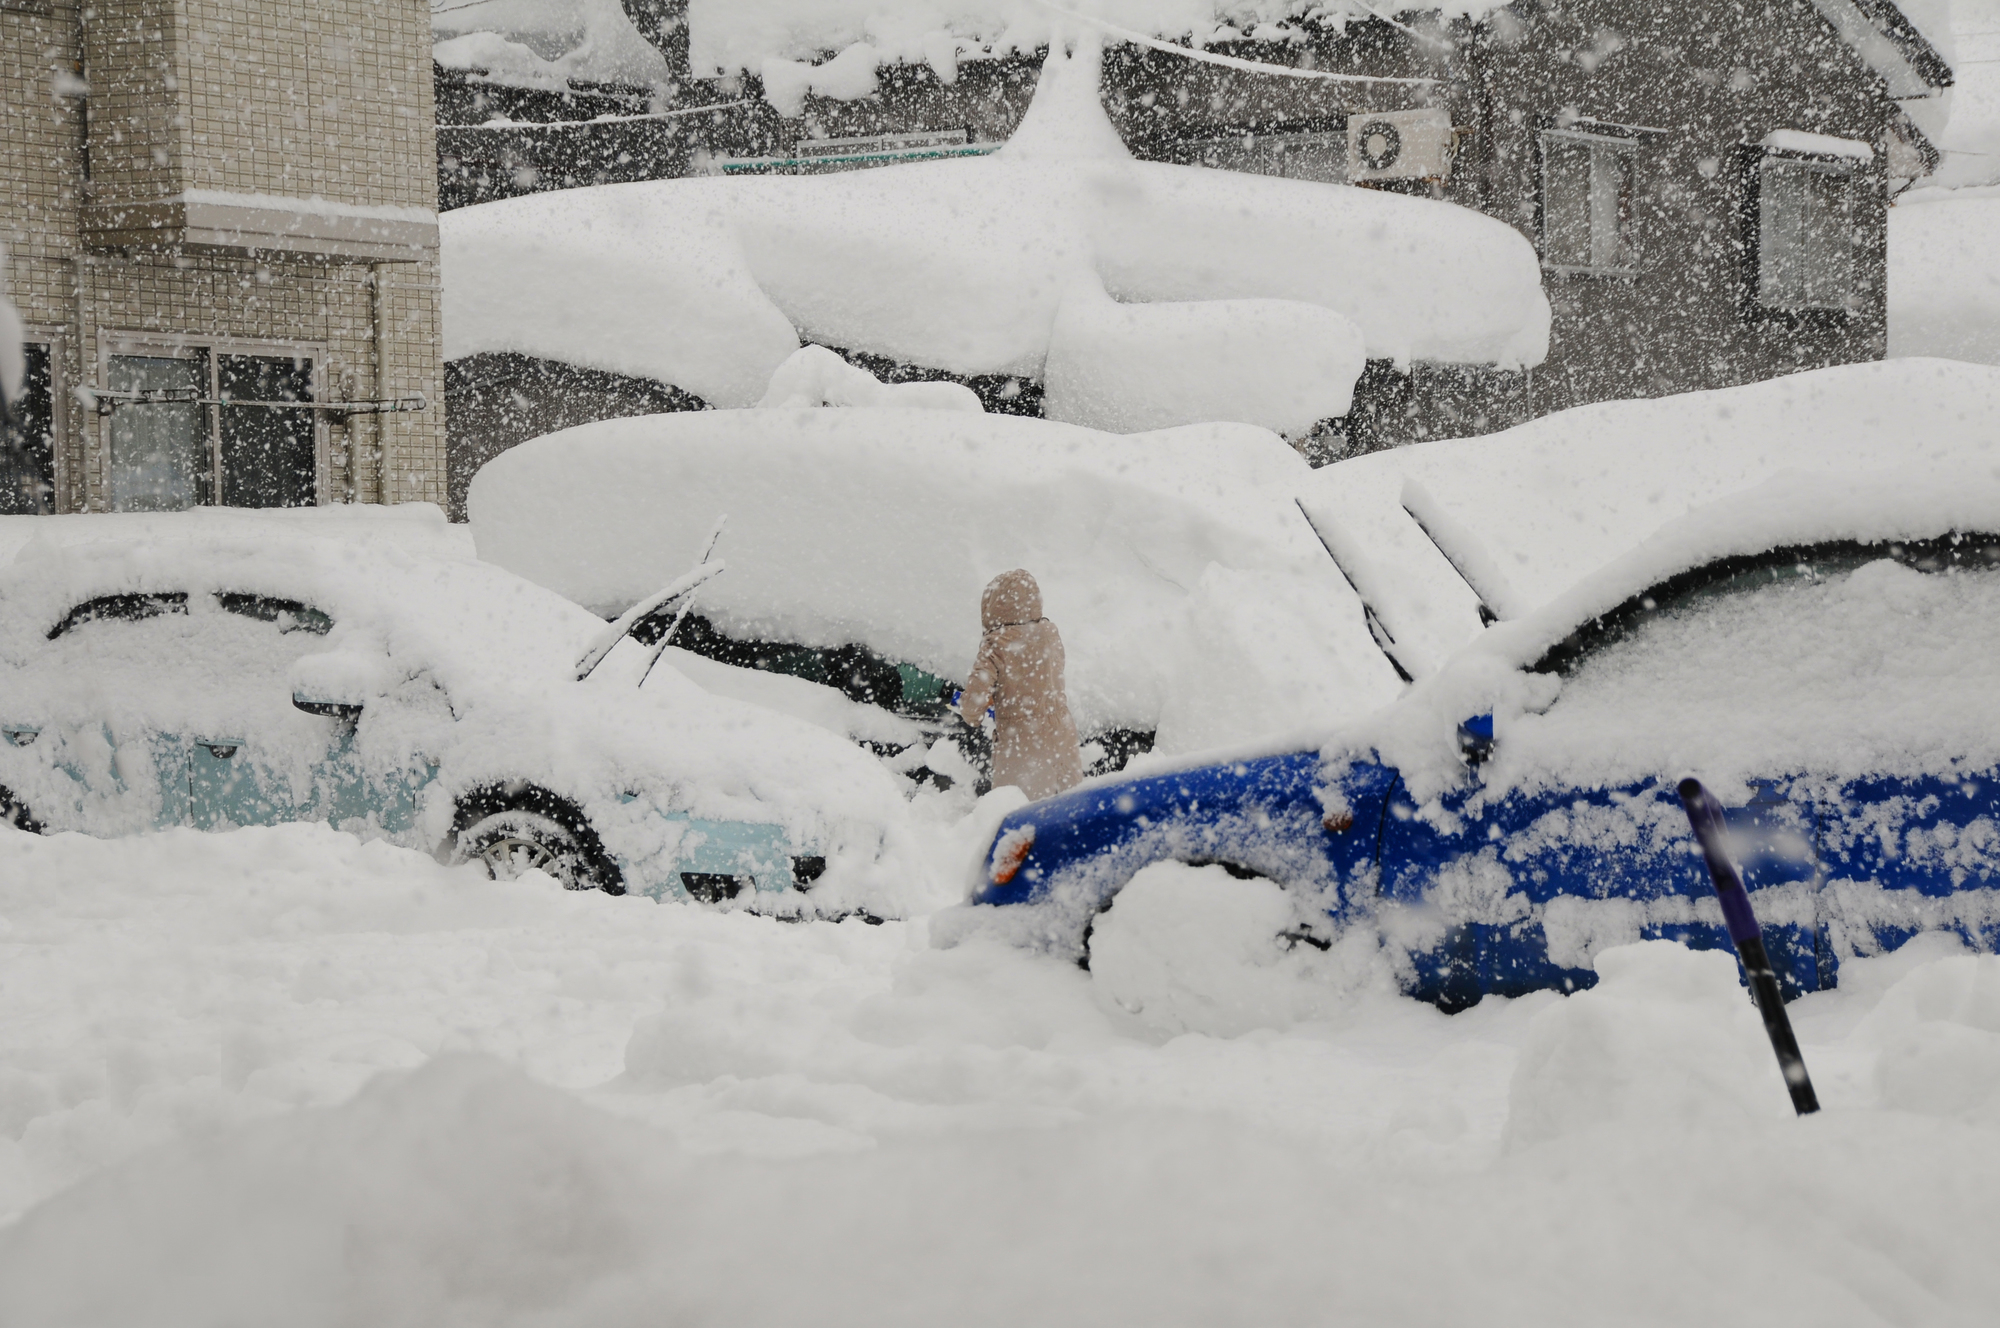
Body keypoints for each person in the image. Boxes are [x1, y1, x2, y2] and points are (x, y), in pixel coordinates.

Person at [959, 569, 1084, 800]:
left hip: (1023, 741)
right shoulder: (1050, 632)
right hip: (1062, 732)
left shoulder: (995, 644)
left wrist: (974, 714)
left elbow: (973, 703)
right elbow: (1050, 675)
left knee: (1021, 819)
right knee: (1070, 813)